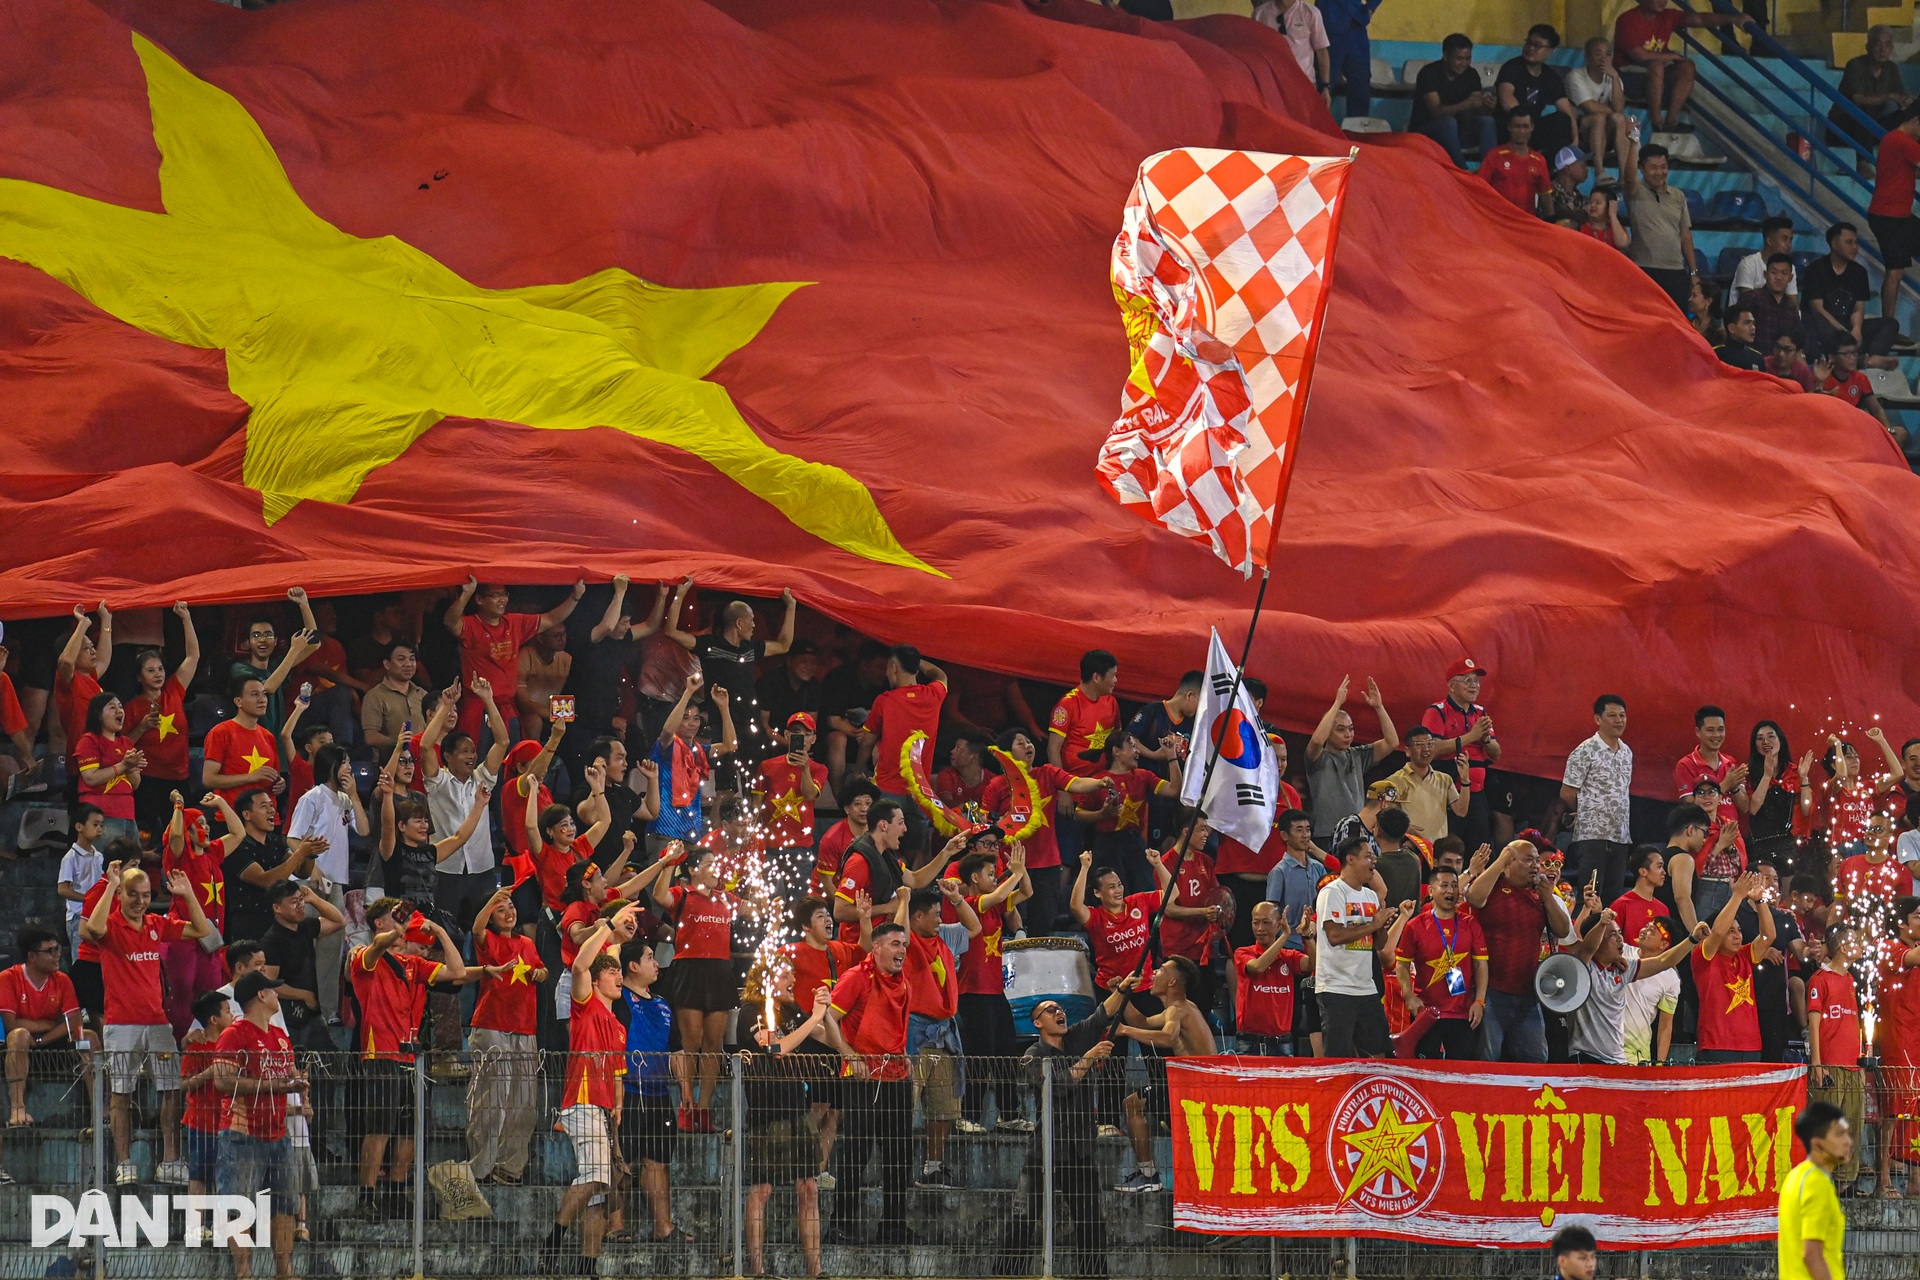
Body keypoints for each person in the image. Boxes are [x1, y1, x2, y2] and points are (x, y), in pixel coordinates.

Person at [84, 860, 213, 1187]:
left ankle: (170, 1161)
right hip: (121, 1024)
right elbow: (92, 930)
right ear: (122, 895)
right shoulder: (111, 926)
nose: (140, 901)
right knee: (120, 1094)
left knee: (171, 1090)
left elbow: (203, 931)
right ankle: (124, 1163)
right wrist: (111, 885)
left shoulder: (156, 923)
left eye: (145, 894)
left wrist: (188, 894)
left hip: (158, 1024)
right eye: (133, 894)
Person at [348, 896, 466, 1219]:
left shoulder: (414, 965)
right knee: (379, 1130)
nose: (403, 928)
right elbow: (378, 947)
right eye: (395, 919)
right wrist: (398, 927)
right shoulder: (363, 956)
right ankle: (366, 1197)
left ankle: (397, 1195)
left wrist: (440, 931)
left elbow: (456, 971)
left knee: (409, 1133)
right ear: (379, 923)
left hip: (412, 1057)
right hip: (381, 1053)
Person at [544, 905, 638, 1273]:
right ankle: (554, 1238)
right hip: (580, 1102)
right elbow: (581, 966)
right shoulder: (584, 1006)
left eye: (619, 972)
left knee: (600, 1194)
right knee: (596, 1177)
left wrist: (618, 1111)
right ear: (597, 981)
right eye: (612, 972)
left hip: (603, 1110)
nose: (618, 976)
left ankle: (588, 1264)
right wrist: (610, 927)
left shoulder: (618, 1026)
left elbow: (617, 1075)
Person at [206, 972, 303, 1280]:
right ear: (261, 996)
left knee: (285, 1204)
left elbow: (286, 1076)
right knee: (239, 1204)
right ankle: (243, 1272)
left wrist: (295, 1085)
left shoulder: (280, 1037)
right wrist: (273, 1085)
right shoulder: (234, 1034)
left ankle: (283, 1271)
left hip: (277, 1131)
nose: (277, 995)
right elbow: (222, 1080)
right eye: (272, 991)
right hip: (242, 1132)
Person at [822, 924, 914, 1245]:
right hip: (861, 1077)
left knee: (899, 1156)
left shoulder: (903, 982)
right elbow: (828, 1019)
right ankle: (841, 1224)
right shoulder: (856, 978)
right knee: (856, 1153)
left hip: (897, 1076)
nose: (901, 950)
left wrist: (903, 1056)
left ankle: (893, 1226)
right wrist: (850, 1055)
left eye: (903, 944)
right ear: (875, 948)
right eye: (893, 944)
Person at [741, 976, 831, 1279]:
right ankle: (757, 1271)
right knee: (762, 1190)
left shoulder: (793, 1012)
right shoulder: (750, 1010)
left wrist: (826, 1012)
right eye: (786, 974)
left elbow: (828, 1038)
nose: (794, 978)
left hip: (798, 1109)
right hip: (766, 1112)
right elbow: (774, 1048)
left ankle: (815, 1272)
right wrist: (815, 1019)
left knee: (809, 1188)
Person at [1022, 998, 1113, 1276]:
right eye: (1050, 1010)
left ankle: (1093, 1275)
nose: (1058, 1012)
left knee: (1091, 1223)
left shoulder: (1074, 1040)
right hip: (1044, 1149)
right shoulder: (1034, 1053)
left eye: (1060, 1008)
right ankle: (1007, 1271)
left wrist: (1123, 987)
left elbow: (1102, 1015)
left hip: (1080, 1150)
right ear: (1038, 1022)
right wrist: (1090, 1056)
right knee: (1022, 1219)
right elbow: (1057, 1086)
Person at [982, 730, 1105, 934]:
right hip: (1010, 864)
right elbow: (983, 821)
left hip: (1047, 862)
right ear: (1006, 754)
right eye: (1020, 743)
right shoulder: (997, 785)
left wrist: (1099, 783)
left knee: (1044, 919)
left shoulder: (1047, 773)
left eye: (1028, 741)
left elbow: (1076, 783)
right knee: (1007, 919)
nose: (1028, 745)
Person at [419, 676, 512, 942]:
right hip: (446, 872)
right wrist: (447, 706)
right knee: (446, 936)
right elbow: (426, 745)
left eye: (473, 751)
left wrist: (487, 700)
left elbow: (502, 742)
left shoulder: (482, 779)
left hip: (482, 871)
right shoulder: (438, 783)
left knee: (486, 937)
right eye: (464, 751)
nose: (472, 756)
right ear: (447, 756)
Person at [1109, 957, 1213, 1193]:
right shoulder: (1179, 1009)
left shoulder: (1178, 1011)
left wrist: (1124, 1031)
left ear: (1172, 982)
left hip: (1196, 1089)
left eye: (1161, 970)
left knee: (1132, 1104)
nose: (1154, 973)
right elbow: (1143, 1022)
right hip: (1196, 1086)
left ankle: (1148, 1176)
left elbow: (1168, 1038)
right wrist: (1121, 995)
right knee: (1134, 1103)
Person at [1465, 839, 1574, 1062]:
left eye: (1537, 860)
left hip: (1527, 994)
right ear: (1509, 862)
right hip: (1490, 992)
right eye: (1528, 860)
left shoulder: (1540, 895)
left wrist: (1548, 898)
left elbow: (1562, 930)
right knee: (1487, 1060)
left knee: (1536, 1059)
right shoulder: (1492, 885)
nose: (1535, 865)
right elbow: (1474, 898)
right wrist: (1499, 862)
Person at [898, 883, 977, 1190]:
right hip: (914, 1033)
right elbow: (901, 933)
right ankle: (899, 1166)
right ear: (917, 917)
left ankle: (933, 1166)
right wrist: (903, 900)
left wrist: (956, 898)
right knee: (905, 1105)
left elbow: (974, 927)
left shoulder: (944, 937)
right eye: (934, 914)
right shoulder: (903, 942)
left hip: (945, 1034)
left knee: (944, 1108)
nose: (940, 920)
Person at [465, 886, 545, 1188]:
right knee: (491, 1097)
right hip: (492, 1024)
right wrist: (492, 899)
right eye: (501, 909)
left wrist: (541, 974)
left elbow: (541, 969)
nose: (509, 912)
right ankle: (480, 1167)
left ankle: (510, 1166)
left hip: (525, 1026)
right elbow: (476, 926)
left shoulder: (525, 942)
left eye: (511, 906)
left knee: (523, 1101)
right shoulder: (487, 940)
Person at [611, 940, 690, 1245]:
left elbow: (677, 1051)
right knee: (624, 1161)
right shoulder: (619, 999)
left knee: (658, 1162)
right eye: (648, 958)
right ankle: (615, 1226)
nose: (656, 963)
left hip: (659, 1093)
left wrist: (684, 1088)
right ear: (632, 966)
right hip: (629, 1093)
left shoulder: (663, 1003)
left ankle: (664, 1227)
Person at [441, 575, 584, 744]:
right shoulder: (472, 625)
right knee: (477, 765)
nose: (502, 599)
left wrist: (575, 597)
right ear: (479, 599)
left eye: (504, 594)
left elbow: (551, 619)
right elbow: (450, 622)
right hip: (479, 710)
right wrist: (466, 594)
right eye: (495, 595)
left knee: (509, 765)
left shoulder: (514, 623)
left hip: (508, 709)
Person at [1562, 904, 1705, 1065]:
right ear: (1597, 939)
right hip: (1587, 1059)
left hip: (1618, 1061)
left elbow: (1664, 961)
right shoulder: (1583, 968)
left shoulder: (1623, 970)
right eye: (1612, 934)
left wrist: (1692, 939)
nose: (1620, 939)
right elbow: (1587, 948)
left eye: (1619, 933)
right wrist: (1601, 922)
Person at [952, 846, 1031, 1133]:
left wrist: (1020, 870)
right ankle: (968, 1116)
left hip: (995, 992)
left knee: (1006, 1052)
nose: (996, 878)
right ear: (974, 878)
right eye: (990, 874)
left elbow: (1026, 893)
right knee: (979, 1055)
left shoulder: (996, 904)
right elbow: (998, 894)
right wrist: (1016, 872)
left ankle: (1008, 1114)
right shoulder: (970, 902)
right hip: (972, 992)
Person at [285, 741, 363, 1020]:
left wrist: (354, 795)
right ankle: (302, 1008)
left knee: (331, 952)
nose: (350, 768)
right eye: (345, 763)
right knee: (305, 948)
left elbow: (363, 829)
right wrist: (312, 868)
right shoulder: (312, 797)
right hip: (308, 884)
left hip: (336, 883)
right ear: (331, 765)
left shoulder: (344, 800)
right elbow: (293, 837)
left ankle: (329, 1011)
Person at [0, 925, 90, 1142]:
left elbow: (75, 1022)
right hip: (20, 1045)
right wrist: (48, 1024)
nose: (57, 955)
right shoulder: (8, 978)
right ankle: (18, 1109)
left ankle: (101, 1110)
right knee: (19, 1035)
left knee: (89, 1037)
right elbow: (11, 1024)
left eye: (57, 949)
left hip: (49, 1044)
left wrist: (41, 1037)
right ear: (32, 956)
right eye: (50, 951)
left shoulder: (63, 980)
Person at [1315, 837, 1404, 1057]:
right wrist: (1373, 924)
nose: (1374, 861)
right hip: (1336, 988)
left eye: (1373, 855)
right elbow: (1334, 935)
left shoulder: (1371, 895)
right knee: (1339, 1056)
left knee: (1379, 1054)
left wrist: (1382, 926)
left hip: (1366, 987)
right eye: (1368, 856)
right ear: (1350, 859)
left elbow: (1379, 945)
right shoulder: (1332, 892)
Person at [859, 645, 949, 854]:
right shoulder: (933, 695)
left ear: (892, 667)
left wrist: (859, 769)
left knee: (882, 851)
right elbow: (940, 674)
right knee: (914, 855)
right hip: (920, 791)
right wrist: (918, 662)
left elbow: (867, 742)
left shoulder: (885, 701)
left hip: (887, 789)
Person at [1613, 0, 1754, 133]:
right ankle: (1656, 122)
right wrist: (1671, 56)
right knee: (1657, 66)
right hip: (1627, 77)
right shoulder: (1627, 20)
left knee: (1687, 66)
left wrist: (1733, 19)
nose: (1662, 1)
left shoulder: (1668, 15)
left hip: (1656, 74)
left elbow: (1699, 19)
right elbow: (1639, 55)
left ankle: (1671, 121)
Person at [1395, 865, 1488, 1059]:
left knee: (1462, 1073)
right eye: (1444, 885)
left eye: (1454, 885)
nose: (1450, 890)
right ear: (1430, 891)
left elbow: (1481, 965)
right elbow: (1401, 965)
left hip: (1463, 1014)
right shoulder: (1415, 926)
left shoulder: (1470, 924)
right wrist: (1409, 996)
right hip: (1426, 1013)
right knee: (1427, 1072)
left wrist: (1479, 1001)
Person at [125, 601, 200, 842]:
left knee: (179, 837)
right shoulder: (131, 707)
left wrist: (186, 618)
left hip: (179, 778)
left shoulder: (174, 691)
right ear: (138, 676)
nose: (158, 674)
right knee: (145, 838)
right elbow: (124, 744)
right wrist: (142, 727)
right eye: (150, 670)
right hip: (147, 781)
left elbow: (193, 655)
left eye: (160, 669)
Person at [1691, 871, 1777, 1063]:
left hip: (1752, 1046)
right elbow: (1718, 931)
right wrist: (1737, 895)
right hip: (1716, 1046)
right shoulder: (1704, 956)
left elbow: (1768, 936)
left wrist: (1760, 900)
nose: (1737, 935)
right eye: (1731, 931)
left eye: (1739, 930)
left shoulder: (1744, 955)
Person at [1305, 675, 1399, 847]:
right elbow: (1317, 741)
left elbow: (1392, 742)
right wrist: (1337, 703)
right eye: (1341, 730)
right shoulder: (1318, 758)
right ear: (1328, 732)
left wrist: (1379, 707)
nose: (1348, 734)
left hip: (1357, 832)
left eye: (1351, 729)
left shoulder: (1357, 755)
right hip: (1327, 834)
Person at [1047, 649, 1121, 865]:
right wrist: (1064, 792)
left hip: (1102, 792)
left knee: (1103, 858)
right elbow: (1053, 749)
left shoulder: (1112, 703)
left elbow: (1118, 741)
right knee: (1068, 860)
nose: (1116, 681)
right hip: (1074, 795)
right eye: (1113, 675)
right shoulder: (1067, 705)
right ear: (1097, 677)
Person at [650, 671, 735, 854]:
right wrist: (688, 692)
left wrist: (724, 707)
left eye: (696, 718)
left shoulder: (699, 751)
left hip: (691, 833)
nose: (692, 723)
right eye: (685, 718)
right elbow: (667, 731)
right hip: (664, 831)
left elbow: (730, 745)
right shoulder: (665, 747)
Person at [1808, 923, 1865, 1191]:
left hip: (1854, 1066)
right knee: (1829, 1127)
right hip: (1831, 1066)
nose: (1861, 944)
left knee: (1854, 1125)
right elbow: (1814, 1024)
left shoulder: (1851, 980)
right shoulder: (1820, 979)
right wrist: (1817, 1064)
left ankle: (1844, 1186)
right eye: (1855, 940)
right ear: (1843, 947)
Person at [1557, 695, 1634, 895]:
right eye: (1612, 715)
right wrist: (1586, 812)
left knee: (1612, 899)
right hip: (1592, 836)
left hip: (1620, 835)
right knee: (1591, 897)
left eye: (1622, 715)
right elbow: (1567, 793)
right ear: (1598, 719)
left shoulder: (1627, 752)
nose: (1619, 720)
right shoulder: (1585, 751)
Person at [1422, 658, 1499, 851]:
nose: (1474, 686)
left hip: (1477, 791)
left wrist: (1485, 739)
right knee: (1450, 846)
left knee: (1480, 846)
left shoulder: (1480, 712)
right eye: (1467, 680)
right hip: (1449, 790)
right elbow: (1431, 749)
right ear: (1451, 686)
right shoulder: (1437, 711)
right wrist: (1470, 736)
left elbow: (1496, 753)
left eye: (1476, 681)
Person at [259, 880, 344, 1051]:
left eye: (301, 900)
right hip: (288, 1016)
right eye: (293, 902)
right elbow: (267, 983)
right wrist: (303, 995)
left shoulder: (304, 927)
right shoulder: (272, 940)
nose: (300, 905)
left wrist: (314, 899)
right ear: (277, 908)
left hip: (312, 1013)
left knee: (327, 1062)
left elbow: (339, 921)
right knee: (298, 1062)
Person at [1801, 221, 1901, 364]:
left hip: (1847, 324)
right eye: (1849, 242)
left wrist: (1857, 329)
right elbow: (1818, 309)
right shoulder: (1816, 270)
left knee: (1890, 324)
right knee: (1817, 322)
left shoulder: (1859, 272)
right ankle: (1853, 360)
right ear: (1834, 244)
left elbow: (1858, 308)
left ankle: (1870, 358)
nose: (1854, 247)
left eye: (1855, 242)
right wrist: (1843, 331)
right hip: (1826, 324)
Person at [1779, 1101, 1850, 1280]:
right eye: (1839, 1134)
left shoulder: (1795, 1176)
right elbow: (1812, 1255)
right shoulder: (1817, 1183)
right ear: (1817, 1145)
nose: (1848, 1141)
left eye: (1847, 1133)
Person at [1233, 901, 1313, 1055]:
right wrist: (1284, 936)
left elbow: (1312, 965)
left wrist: (1307, 935)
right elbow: (1258, 966)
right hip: (1249, 1042)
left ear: (1278, 925)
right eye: (1256, 923)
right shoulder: (1242, 953)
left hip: (1282, 1042)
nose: (1260, 928)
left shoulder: (1289, 957)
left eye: (1266, 923)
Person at [1622, 145, 1697, 306]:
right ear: (1641, 168)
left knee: (1676, 323)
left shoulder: (1678, 195)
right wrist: (1633, 143)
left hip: (1675, 272)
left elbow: (1685, 235)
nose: (1659, 172)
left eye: (1663, 167)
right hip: (1644, 270)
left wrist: (1693, 272)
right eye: (1653, 168)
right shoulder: (1635, 191)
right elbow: (1628, 178)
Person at [1835, 26, 1916, 176]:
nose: (1882, 49)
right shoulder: (1856, 65)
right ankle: (1863, 162)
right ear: (1868, 47)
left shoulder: (1891, 69)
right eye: (1877, 44)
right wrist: (1890, 96)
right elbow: (1859, 100)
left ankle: (1915, 161)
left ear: (1892, 48)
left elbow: (1901, 98)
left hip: (1871, 129)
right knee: (1865, 108)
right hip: (1844, 126)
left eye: (1887, 45)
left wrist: (1909, 102)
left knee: (1915, 111)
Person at [1410, 34, 1497, 169]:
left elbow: (1476, 108)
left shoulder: (1471, 74)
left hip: (1458, 132)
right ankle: (1462, 171)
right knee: (1448, 122)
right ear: (1446, 56)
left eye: (1468, 59)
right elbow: (1436, 112)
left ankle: (1490, 172)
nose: (1464, 63)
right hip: (1426, 132)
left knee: (1488, 121)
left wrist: (1488, 106)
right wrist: (1466, 104)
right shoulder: (1429, 73)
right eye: (1459, 59)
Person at [202, 675, 290, 807]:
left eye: (264, 694)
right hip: (233, 815)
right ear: (238, 701)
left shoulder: (268, 736)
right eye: (255, 694)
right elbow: (208, 779)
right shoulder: (221, 732)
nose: (262, 700)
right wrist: (251, 777)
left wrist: (279, 784)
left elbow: (272, 776)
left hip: (267, 817)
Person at [179, 990, 232, 1204]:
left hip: (227, 1121)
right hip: (201, 1122)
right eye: (227, 1012)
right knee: (199, 1175)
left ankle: (218, 1225)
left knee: (223, 1176)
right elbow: (183, 1083)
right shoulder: (197, 1049)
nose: (232, 1016)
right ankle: (195, 1228)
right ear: (214, 1019)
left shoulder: (231, 1048)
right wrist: (208, 1074)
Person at [1495, 25, 1575, 157]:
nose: (1531, 48)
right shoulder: (1511, 68)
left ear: (1550, 51)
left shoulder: (1550, 77)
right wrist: (1524, 123)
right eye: (1529, 43)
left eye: (1537, 45)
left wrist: (1575, 138)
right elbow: (1506, 97)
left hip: (1532, 129)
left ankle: (1552, 169)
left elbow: (1566, 109)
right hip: (1510, 128)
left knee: (1562, 120)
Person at [74, 693, 143, 842]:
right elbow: (91, 777)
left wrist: (131, 768)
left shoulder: (126, 742)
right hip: (102, 814)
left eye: (120, 706)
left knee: (131, 863)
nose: (119, 711)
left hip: (128, 813)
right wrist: (123, 765)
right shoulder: (89, 741)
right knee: (106, 863)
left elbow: (135, 784)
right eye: (112, 707)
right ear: (98, 715)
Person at [1387, 726, 1470, 844]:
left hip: (1438, 851)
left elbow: (1461, 811)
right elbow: (1389, 819)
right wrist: (1404, 828)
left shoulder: (1444, 779)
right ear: (1407, 751)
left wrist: (1465, 780)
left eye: (1430, 744)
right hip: (1409, 849)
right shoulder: (1393, 781)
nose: (1426, 749)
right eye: (1419, 744)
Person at [1565, 38, 1634, 180]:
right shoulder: (1575, 76)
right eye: (1598, 54)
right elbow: (1590, 106)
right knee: (1598, 117)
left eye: (1608, 54)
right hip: (1581, 132)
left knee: (1619, 118)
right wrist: (1616, 113)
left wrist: (1614, 77)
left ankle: (1624, 174)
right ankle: (1599, 172)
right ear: (1587, 57)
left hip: (1606, 134)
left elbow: (1618, 108)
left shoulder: (1613, 77)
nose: (1603, 59)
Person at [1822, 335, 1904, 442]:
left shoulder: (1860, 378)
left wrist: (1887, 431)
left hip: (1857, 428)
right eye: (1846, 354)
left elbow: (1876, 410)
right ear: (1832, 357)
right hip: (1835, 431)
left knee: (1900, 433)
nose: (1852, 358)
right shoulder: (1823, 380)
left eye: (1854, 353)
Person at [1622, 919, 1682, 1065]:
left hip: (1637, 1055)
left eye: (1652, 930)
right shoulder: (1621, 952)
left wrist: (1660, 1063)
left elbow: (1665, 1025)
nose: (1644, 930)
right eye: (1646, 925)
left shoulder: (1670, 977)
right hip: (1603, 1049)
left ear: (1663, 944)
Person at [1480, 108, 1552, 215]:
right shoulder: (1495, 155)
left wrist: (1551, 222)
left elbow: (1545, 198)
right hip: (1498, 219)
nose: (1521, 131)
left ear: (1532, 127)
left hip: (1525, 223)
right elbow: (1480, 188)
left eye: (1525, 126)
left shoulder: (1539, 160)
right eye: (1517, 126)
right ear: (1509, 127)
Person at [1251, 0, 1328, 99]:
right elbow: (1255, 52)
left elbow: (1321, 51)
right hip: (1272, 84)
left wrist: (1326, 86)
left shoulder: (1310, 12)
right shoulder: (1260, 13)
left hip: (1304, 83)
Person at [56, 804, 105, 961]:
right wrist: (88, 898)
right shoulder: (70, 857)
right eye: (95, 825)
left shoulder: (99, 856)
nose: (99, 829)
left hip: (97, 914)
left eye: (101, 825)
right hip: (78, 915)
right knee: (80, 957)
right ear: (79, 826)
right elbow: (62, 889)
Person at [1317, 0, 1381, 118]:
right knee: (1323, 86)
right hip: (1329, 25)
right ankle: (1315, 129)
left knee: (1360, 85)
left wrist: (1369, 10)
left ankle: (1357, 131)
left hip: (1356, 27)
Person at [359, 639, 426, 750]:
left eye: (412, 659)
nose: (408, 664)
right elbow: (371, 737)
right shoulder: (375, 696)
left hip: (423, 761)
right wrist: (404, 745)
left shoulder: (423, 694)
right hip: (392, 762)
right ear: (387, 664)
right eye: (401, 659)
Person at [1740, 254, 1806, 357]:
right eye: (1774, 272)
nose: (1779, 278)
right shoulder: (1752, 298)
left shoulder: (1791, 306)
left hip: (1782, 364)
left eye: (1784, 273)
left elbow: (1796, 339)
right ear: (1765, 274)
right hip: (1754, 362)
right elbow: (1738, 333)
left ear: (1790, 278)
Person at [1729, 217, 1800, 305]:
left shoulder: (1790, 268)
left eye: (1790, 240)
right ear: (1769, 241)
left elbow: (1793, 304)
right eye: (1784, 239)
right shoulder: (1749, 264)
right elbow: (1747, 304)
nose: (1789, 245)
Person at [1609, 846, 1672, 944]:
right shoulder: (1621, 905)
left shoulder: (1663, 909)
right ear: (1643, 871)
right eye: (1659, 867)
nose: (1664, 872)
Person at [1717, 305, 1766, 370]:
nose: (1753, 327)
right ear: (1731, 328)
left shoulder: (1757, 358)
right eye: (1747, 323)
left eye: (1753, 323)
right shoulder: (1717, 354)